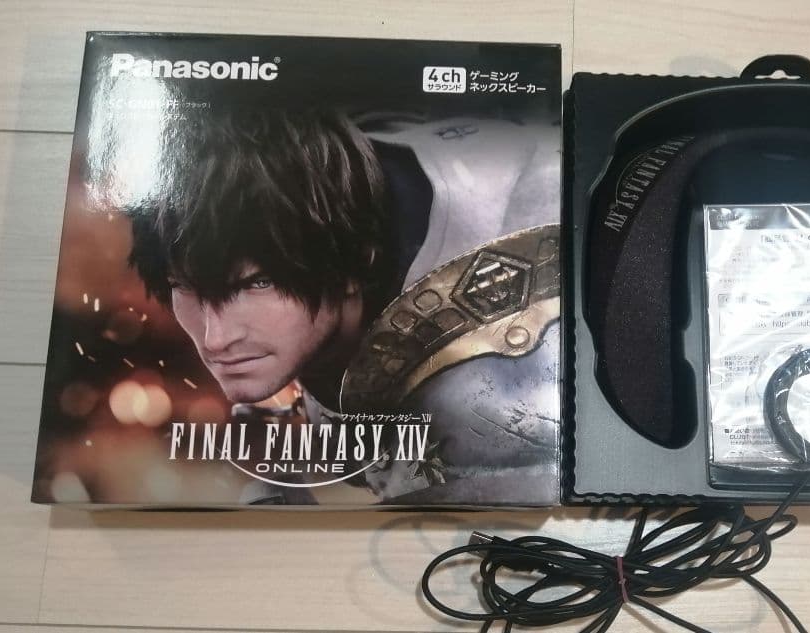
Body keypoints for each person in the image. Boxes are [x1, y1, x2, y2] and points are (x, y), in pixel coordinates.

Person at [126, 109, 561, 503]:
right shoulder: (323, 177)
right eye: (185, 288)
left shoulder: (495, 386)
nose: (215, 339)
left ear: (356, 260)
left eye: (258, 283)